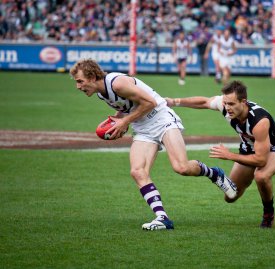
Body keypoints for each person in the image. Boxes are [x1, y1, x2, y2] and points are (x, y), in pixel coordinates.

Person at [69, 59, 237, 231]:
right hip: (142, 127)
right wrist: (119, 120)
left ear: (91, 76)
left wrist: (124, 121)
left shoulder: (117, 83)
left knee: (182, 168)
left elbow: (151, 102)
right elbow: (127, 106)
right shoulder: (101, 92)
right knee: (137, 171)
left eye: (80, 81)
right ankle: (162, 218)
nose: (78, 86)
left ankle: (215, 174)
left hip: (161, 118)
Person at [166, 81, 275, 228]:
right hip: (249, 148)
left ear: (243, 102)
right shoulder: (225, 105)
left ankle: (268, 214)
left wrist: (229, 155)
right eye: (225, 103)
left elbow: (261, 160)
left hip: (274, 147)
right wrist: (174, 102)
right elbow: (205, 102)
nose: (227, 108)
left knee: (261, 176)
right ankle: (217, 174)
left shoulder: (259, 121)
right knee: (231, 196)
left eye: (231, 104)